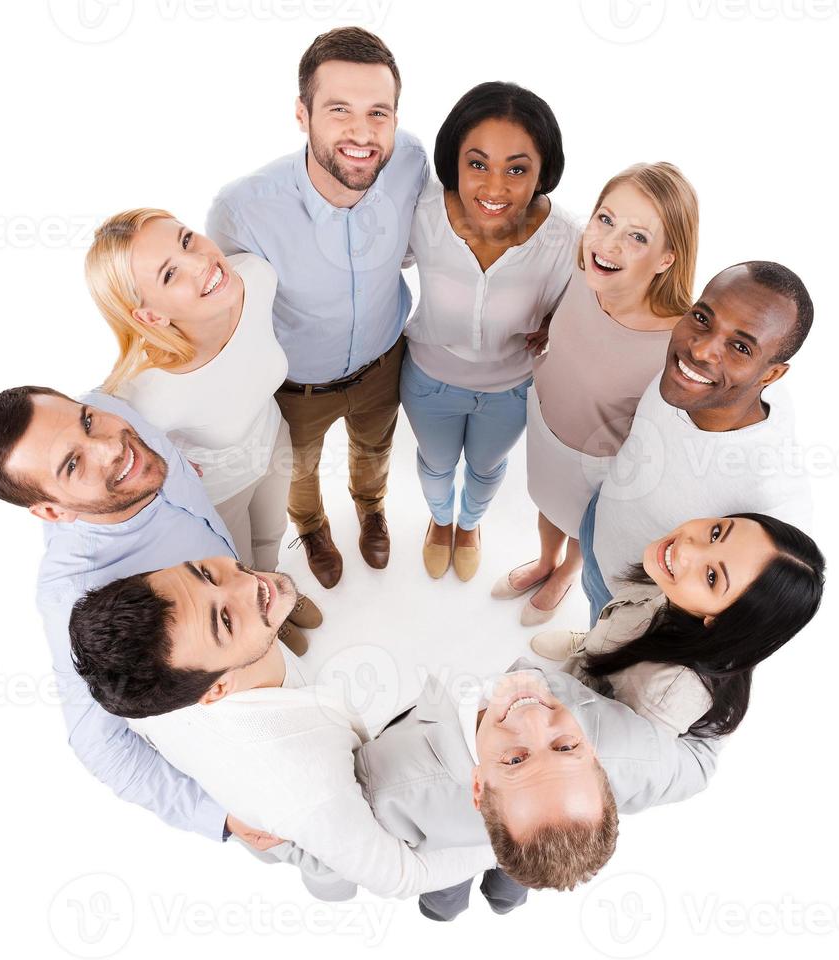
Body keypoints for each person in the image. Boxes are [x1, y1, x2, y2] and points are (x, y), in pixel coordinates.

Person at [0, 385, 319, 854]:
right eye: (73, 465)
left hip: (240, 596)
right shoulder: (75, 597)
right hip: (243, 707)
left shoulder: (111, 411)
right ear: (51, 510)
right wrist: (218, 815)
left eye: (87, 421)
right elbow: (100, 745)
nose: (111, 447)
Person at [67, 555, 498, 901]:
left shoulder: (150, 681)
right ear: (216, 689)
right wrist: (502, 852)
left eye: (203, 573)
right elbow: (399, 875)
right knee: (330, 877)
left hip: (261, 793)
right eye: (225, 621)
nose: (246, 583)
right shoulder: (309, 788)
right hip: (298, 821)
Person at [207, 26, 430, 589]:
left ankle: (371, 507)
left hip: (383, 361)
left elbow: (417, 247)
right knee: (297, 469)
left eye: (379, 112)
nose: (363, 133)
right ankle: (310, 527)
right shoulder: (242, 210)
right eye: (340, 110)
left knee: (375, 446)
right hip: (296, 386)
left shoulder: (409, 161)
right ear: (302, 115)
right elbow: (225, 320)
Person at [356, 659, 722, 921]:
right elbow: (700, 763)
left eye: (515, 761)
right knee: (491, 885)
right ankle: (488, 905)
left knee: (454, 890)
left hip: (445, 851)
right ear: (596, 759)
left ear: (478, 787)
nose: (532, 718)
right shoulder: (633, 757)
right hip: (485, 859)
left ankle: (465, 908)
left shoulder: (386, 782)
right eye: (566, 748)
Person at [492, 162, 699, 625]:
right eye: (605, 219)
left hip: (596, 463)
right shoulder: (587, 271)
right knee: (545, 503)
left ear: (667, 258)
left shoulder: (674, 346)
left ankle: (566, 570)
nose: (607, 243)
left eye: (638, 236)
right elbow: (572, 324)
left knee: (582, 528)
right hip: (547, 425)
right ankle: (545, 561)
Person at [399, 81, 576, 581]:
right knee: (435, 467)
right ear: (454, 160)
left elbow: (580, 310)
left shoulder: (565, 239)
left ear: (543, 172)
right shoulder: (422, 214)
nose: (495, 189)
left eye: (516, 170)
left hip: (510, 392)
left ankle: (470, 524)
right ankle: (439, 523)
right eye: (478, 164)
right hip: (429, 381)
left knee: (484, 469)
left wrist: (554, 328)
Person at [581, 261, 817, 622]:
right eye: (703, 318)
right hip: (601, 528)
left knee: (601, 649)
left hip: (640, 611)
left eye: (740, 347)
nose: (701, 350)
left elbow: (750, 624)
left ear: (771, 374)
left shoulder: (772, 495)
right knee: (592, 609)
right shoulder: (690, 375)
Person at [85, 208, 294, 593]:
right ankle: (263, 607)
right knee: (239, 564)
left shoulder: (256, 277)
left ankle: (279, 590)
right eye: (169, 274)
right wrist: (168, 465)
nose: (201, 262)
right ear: (149, 315)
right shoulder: (148, 391)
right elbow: (107, 459)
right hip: (220, 489)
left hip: (275, 444)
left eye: (186, 240)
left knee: (272, 536)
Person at [532, 514, 825, 737]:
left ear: (722, 619)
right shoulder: (677, 589)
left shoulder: (661, 696)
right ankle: (589, 646)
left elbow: (602, 750)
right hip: (598, 656)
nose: (686, 549)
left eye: (712, 577)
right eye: (716, 532)